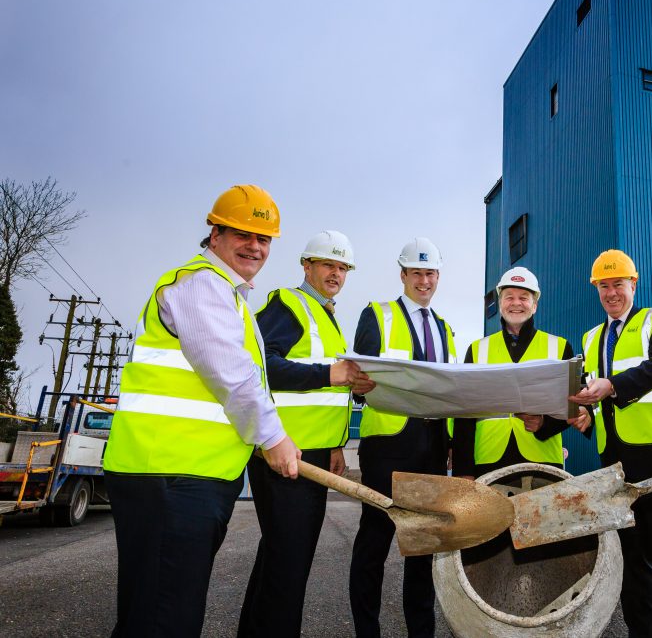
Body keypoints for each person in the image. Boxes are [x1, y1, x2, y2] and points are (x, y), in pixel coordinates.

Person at [103, 185, 302, 637]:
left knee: (154, 610)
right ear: (215, 235)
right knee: (164, 619)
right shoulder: (201, 285)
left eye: (264, 238)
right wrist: (273, 438)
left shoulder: (230, 296)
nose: (255, 246)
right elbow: (232, 376)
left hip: (185, 476)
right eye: (242, 234)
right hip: (170, 475)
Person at [238, 230, 374, 637]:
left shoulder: (327, 317)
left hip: (312, 453)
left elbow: (325, 391)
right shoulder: (288, 304)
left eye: (342, 267)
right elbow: (262, 367)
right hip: (284, 453)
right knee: (289, 564)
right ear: (307, 266)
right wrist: (331, 373)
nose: (336, 273)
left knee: (280, 559)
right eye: (328, 264)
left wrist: (335, 444)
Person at [569, 249, 652, 638]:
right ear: (597, 289)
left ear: (634, 284)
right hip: (614, 459)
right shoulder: (591, 337)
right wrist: (586, 416)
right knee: (631, 559)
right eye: (604, 286)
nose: (612, 293)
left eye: (618, 284)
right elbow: (595, 395)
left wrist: (613, 386)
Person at [348, 237, 456, 638]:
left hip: (431, 447)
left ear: (437, 277)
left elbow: (447, 390)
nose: (423, 281)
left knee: (423, 548)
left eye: (430, 274)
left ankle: (421, 632)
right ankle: (366, 631)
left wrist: (448, 444)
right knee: (374, 544)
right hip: (387, 447)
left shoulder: (444, 328)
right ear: (403, 275)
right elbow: (358, 380)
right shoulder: (377, 315)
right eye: (416, 273)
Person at [452, 267, 590, 479]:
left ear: (534, 305)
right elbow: (464, 415)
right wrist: (463, 472)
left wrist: (545, 424)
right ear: (500, 304)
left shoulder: (560, 347)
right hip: (488, 460)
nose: (516, 303)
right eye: (509, 297)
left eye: (524, 298)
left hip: (543, 461)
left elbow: (578, 404)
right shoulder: (477, 350)